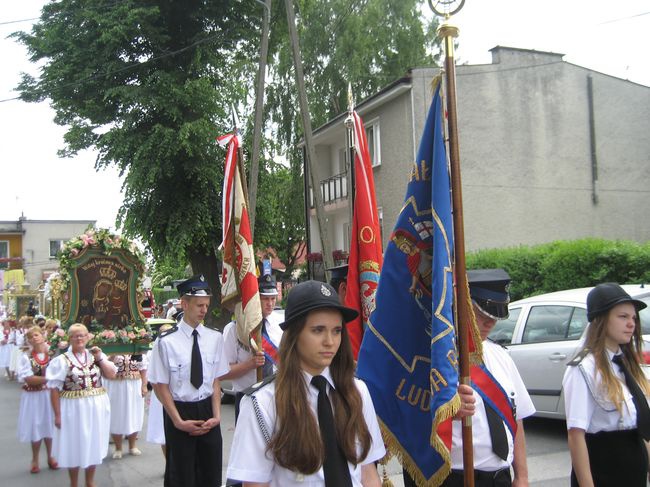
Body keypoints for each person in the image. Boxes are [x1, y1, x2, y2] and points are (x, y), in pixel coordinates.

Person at [227, 280, 385, 486]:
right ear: (294, 334)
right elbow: (256, 483)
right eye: (318, 330)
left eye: (337, 330)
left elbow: (368, 474)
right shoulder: (262, 402)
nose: (330, 341)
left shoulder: (357, 391)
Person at [405, 269, 535, 487]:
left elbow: (516, 417)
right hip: (452, 478)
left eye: (494, 317)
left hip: (499, 478)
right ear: (461, 307)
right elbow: (408, 420)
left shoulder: (501, 356)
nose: (490, 323)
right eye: (483, 315)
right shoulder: (431, 359)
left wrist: (521, 476)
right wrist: (446, 410)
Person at [563, 282, 650, 486]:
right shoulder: (583, 368)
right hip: (604, 474)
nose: (631, 324)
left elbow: (639, 431)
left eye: (633, 318)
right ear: (601, 319)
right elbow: (576, 436)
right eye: (622, 317)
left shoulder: (625, 364)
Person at [149, 275, 229, 487]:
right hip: (180, 412)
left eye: (206, 305)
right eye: (199, 305)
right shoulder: (166, 342)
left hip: (207, 411)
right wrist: (177, 421)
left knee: (210, 473)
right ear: (184, 304)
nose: (204, 310)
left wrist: (217, 416)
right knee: (182, 476)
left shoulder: (215, 338)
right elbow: (160, 385)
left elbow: (215, 381)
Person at [46, 323, 117, 487]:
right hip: (72, 407)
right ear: (69, 338)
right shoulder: (61, 361)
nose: (79, 338)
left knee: (93, 441)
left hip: (96, 406)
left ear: (87, 337)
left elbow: (111, 374)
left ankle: (90, 481)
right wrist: (57, 415)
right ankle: (74, 483)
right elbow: (54, 389)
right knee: (74, 443)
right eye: (75, 336)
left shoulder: (96, 356)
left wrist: (100, 357)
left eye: (82, 335)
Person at [220, 273, 284, 419]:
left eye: (273, 298)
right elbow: (223, 372)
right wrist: (250, 364)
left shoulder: (281, 323)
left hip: (277, 394)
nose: (270, 303)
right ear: (255, 299)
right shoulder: (235, 329)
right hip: (247, 397)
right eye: (265, 299)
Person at [16, 326, 58, 474]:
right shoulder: (26, 357)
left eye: (37, 335)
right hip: (34, 396)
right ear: (28, 340)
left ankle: (51, 456)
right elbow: (28, 378)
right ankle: (35, 459)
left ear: (43, 336)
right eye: (31, 336)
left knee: (50, 425)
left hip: (49, 395)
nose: (35, 338)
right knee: (36, 425)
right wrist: (50, 378)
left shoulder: (52, 355)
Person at [104, 353, 148, 459]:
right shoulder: (111, 351)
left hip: (134, 385)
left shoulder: (137, 351)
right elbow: (103, 368)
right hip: (116, 385)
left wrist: (144, 385)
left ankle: (132, 446)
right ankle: (118, 448)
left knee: (134, 413)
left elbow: (143, 370)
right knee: (116, 415)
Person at [146, 324, 174, 458]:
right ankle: (168, 462)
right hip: (162, 396)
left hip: (178, 395)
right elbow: (152, 378)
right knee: (163, 432)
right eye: (163, 333)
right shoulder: (155, 352)